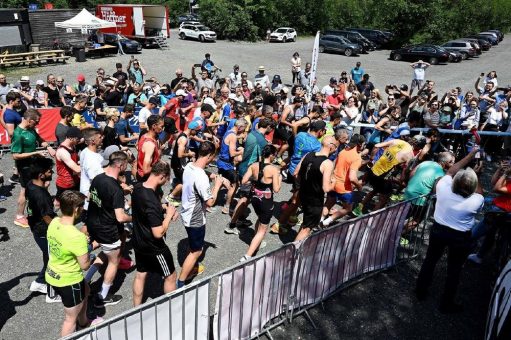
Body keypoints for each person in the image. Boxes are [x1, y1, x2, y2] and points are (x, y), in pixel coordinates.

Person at [415, 147, 483, 313]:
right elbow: (479, 190)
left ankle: (420, 291)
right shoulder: (476, 200)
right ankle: (446, 303)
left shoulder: (443, 188)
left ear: (455, 181)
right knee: (454, 270)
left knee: (430, 260)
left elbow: (451, 171)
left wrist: (469, 155)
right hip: (460, 237)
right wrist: (476, 175)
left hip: (439, 230)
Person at [177, 142, 230, 288]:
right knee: (196, 251)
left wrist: (211, 175)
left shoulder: (189, 166)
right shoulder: (201, 178)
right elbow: (210, 202)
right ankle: (181, 282)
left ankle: (192, 268)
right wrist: (217, 185)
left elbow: (198, 174)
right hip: (195, 217)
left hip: (186, 210)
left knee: (193, 243)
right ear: (210, 156)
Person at [45, 190, 96, 336]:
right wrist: (89, 253)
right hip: (69, 281)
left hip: (53, 273)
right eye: (82, 205)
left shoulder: (54, 222)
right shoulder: (76, 236)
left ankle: (84, 323)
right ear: (76, 209)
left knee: (86, 290)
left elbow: (63, 243)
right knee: (69, 319)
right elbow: (85, 265)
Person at [86, 151, 132, 307]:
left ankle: (85, 282)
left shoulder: (98, 178)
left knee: (105, 253)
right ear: (120, 165)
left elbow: (91, 199)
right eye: (126, 164)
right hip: (108, 229)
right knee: (114, 261)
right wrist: (137, 217)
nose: (127, 167)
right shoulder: (115, 188)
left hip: (94, 224)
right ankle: (102, 296)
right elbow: (120, 217)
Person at [132, 161, 179, 306]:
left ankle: (136, 309)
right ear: (162, 176)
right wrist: (169, 216)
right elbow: (158, 233)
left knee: (141, 275)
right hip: (154, 247)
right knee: (170, 276)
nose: (165, 183)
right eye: (166, 179)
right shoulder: (151, 199)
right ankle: (171, 308)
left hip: (138, 241)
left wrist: (163, 208)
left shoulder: (138, 188)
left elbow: (145, 210)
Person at [11, 109, 55, 228]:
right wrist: (35, 153)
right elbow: (15, 155)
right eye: (36, 122)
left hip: (33, 164)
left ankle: (40, 206)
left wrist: (49, 147)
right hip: (24, 167)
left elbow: (40, 140)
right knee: (24, 191)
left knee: (43, 184)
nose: (38, 124)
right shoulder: (18, 134)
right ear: (29, 120)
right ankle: (19, 216)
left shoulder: (31, 129)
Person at [239, 145, 281, 261]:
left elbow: (243, 181)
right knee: (263, 230)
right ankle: (248, 256)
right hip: (266, 202)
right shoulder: (273, 170)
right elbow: (276, 189)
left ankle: (255, 240)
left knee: (260, 218)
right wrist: (280, 179)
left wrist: (255, 179)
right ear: (271, 155)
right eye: (275, 155)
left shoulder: (254, 165)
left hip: (255, 199)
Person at [354, 136, 414, 215]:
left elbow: (376, 146)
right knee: (384, 198)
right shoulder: (410, 154)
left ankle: (358, 208)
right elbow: (404, 171)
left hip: (375, 168)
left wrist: (372, 159)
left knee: (374, 190)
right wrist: (401, 181)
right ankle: (371, 217)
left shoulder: (397, 141)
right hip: (385, 176)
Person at [26, 157, 58, 301]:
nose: (52, 172)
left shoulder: (30, 185)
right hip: (44, 231)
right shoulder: (40, 195)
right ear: (41, 175)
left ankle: (39, 282)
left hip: (35, 228)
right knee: (53, 260)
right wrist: (60, 232)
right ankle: (51, 294)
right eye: (49, 171)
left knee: (48, 257)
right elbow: (47, 218)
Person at [294, 136, 337, 241]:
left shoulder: (308, 154)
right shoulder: (327, 163)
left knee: (306, 223)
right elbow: (326, 188)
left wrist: (305, 182)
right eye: (336, 146)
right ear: (331, 147)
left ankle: (299, 244)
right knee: (307, 229)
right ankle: (292, 253)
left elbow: (296, 173)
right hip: (314, 200)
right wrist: (334, 182)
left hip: (303, 194)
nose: (336, 149)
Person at [403, 152, 455, 232]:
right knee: (417, 220)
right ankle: (400, 234)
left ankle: (392, 231)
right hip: (420, 200)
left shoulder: (426, 162)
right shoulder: (441, 174)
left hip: (408, 192)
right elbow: (435, 191)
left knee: (402, 215)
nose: (453, 165)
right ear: (445, 163)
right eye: (452, 162)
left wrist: (411, 185)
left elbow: (412, 173)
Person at [322, 134, 365, 227]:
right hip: (344, 188)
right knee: (347, 208)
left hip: (333, 182)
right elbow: (352, 178)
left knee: (328, 203)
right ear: (360, 144)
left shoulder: (343, 151)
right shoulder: (357, 158)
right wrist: (359, 187)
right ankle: (327, 221)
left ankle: (320, 219)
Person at [217, 118, 247, 215]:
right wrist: (241, 151)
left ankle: (210, 202)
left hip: (222, 162)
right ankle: (227, 205)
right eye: (244, 128)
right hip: (226, 164)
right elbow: (232, 153)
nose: (243, 131)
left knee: (221, 181)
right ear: (240, 127)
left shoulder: (229, 131)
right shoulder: (233, 136)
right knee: (235, 185)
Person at [79, 128, 104, 210]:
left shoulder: (84, 151)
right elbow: (97, 180)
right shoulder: (92, 159)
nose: (102, 138)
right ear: (93, 141)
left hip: (86, 194)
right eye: (100, 137)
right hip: (93, 198)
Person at [55, 127, 82, 200]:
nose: (79, 140)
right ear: (71, 138)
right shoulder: (62, 151)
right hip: (65, 184)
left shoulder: (72, 146)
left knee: (76, 202)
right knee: (61, 204)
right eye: (78, 139)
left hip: (75, 181)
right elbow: (77, 169)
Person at [136, 115, 163, 182]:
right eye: (161, 126)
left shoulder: (143, 136)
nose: (163, 129)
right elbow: (146, 170)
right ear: (154, 126)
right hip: (146, 179)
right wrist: (160, 166)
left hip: (141, 175)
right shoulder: (150, 144)